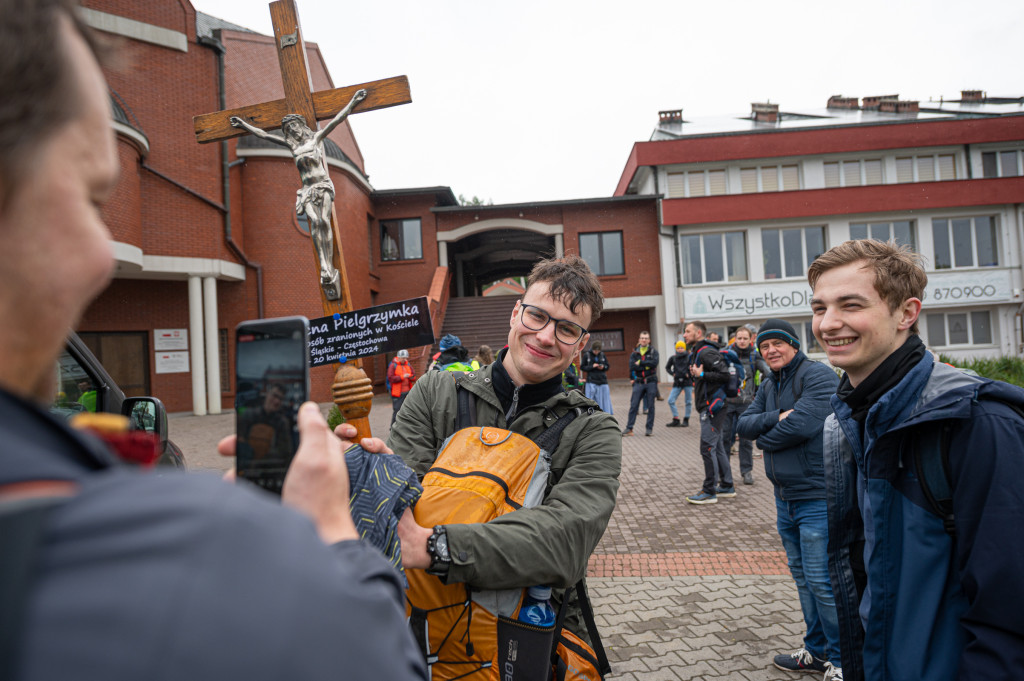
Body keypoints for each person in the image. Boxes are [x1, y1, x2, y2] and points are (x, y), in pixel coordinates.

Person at [0, 3, 423, 679]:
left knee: (325, 258)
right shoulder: (183, 550)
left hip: (314, 191)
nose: (99, 257)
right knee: (320, 251)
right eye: (87, 193)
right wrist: (329, 534)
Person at [808, 239, 1024, 681]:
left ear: (907, 313)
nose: (829, 324)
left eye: (850, 305)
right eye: (818, 308)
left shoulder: (977, 423)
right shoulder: (856, 415)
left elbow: (1010, 609)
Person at [388, 254, 621, 649]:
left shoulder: (594, 430)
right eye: (537, 316)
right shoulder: (435, 393)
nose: (546, 336)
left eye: (566, 329)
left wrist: (434, 545)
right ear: (516, 313)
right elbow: (397, 504)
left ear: (580, 345)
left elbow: (563, 543)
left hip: (532, 637)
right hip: (421, 626)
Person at [736, 320, 842, 679]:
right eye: (764, 347)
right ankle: (816, 652)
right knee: (802, 578)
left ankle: (844, 661)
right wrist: (775, 417)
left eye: (778, 344)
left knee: (822, 581)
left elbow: (803, 425)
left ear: (794, 345)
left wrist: (765, 438)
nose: (770, 351)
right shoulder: (769, 384)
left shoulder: (818, 376)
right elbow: (743, 424)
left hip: (818, 496)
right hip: (785, 499)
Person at [230, 89, 367, 298]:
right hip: (307, 191)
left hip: (323, 185)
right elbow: (264, 134)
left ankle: (329, 265)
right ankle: (324, 265)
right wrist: (243, 125)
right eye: (288, 128)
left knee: (323, 221)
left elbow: (336, 121)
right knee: (314, 223)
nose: (292, 130)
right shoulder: (291, 146)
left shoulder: (316, 139)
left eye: (294, 125)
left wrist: (352, 103)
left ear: (301, 126)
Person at [683, 321, 733, 504]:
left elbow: (725, 375)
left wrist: (702, 375)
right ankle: (727, 485)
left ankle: (709, 491)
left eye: (687, 332)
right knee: (717, 446)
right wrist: (695, 374)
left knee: (707, 448)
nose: (684, 335)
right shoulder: (698, 352)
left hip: (713, 407)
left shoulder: (706, 352)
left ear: (698, 333)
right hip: (708, 405)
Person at [722, 326, 770, 483]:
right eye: (739, 338)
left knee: (746, 439)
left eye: (745, 338)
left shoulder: (754, 355)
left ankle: (746, 471)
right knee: (725, 438)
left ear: (751, 339)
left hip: (746, 403)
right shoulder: (726, 354)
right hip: (727, 403)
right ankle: (724, 473)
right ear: (735, 339)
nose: (742, 341)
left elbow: (768, 373)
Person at [622, 331, 659, 436]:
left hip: (651, 381)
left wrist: (641, 363)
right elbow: (632, 367)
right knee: (634, 406)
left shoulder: (653, 352)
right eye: (642, 338)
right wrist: (647, 365)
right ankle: (629, 428)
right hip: (638, 382)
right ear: (639, 340)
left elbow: (654, 363)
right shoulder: (635, 353)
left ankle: (649, 429)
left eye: (646, 338)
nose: (644, 340)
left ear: (649, 340)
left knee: (651, 406)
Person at [665, 340, 693, 427]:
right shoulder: (673, 358)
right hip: (677, 382)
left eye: (681, 347)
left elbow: (693, 366)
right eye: (678, 348)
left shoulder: (689, 357)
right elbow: (667, 367)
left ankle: (686, 419)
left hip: (687, 382)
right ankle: (676, 419)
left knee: (688, 402)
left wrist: (689, 374)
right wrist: (672, 373)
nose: (680, 349)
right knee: (670, 400)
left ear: (684, 348)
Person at [581, 339, 612, 413]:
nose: (596, 352)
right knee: (591, 400)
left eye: (598, 351)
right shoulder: (587, 355)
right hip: (591, 381)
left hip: (602, 381)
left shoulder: (602, 354)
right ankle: (592, 414)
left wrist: (603, 367)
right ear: (592, 349)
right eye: (595, 351)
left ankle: (605, 414)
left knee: (604, 400)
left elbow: (607, 366)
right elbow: (582, 367)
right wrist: (592, 366)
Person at [387, 349, 416, 425]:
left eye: (406, 358)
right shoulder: (393, 365)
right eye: (403, 358)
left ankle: (406, 426)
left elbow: (414, 375)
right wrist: (402, 377)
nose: (405, 360)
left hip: (408, 392)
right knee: (397, 410)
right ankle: (393, 427)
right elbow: (391, 378)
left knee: (409, 410)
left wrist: (410, 377)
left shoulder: (408, 365)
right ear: (398, 357)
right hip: (397, 393)